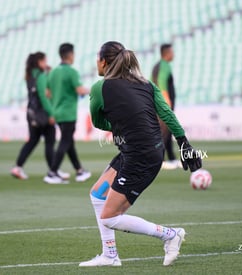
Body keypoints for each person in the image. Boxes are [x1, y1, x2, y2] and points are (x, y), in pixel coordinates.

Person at [79, 41, 201, 267]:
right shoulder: (146, 84)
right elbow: (166, 113)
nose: (96, 62)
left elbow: (98, 122)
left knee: (110, 217)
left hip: (140, 157)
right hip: (141, 150)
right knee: (97, 194)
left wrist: (119, 125)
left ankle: (170, 235)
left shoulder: (100, 88)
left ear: (104, 62)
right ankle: (110, 255)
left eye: (98, 58)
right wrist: (184, 143)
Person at [44, 43, 91, 184]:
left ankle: (79, 170)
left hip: (57, 112)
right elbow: (80, 90)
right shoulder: (71, 72)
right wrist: (93, 90)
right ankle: (52, 172)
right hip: (68, 112)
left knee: (68, 142)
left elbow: (47, 93)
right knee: (65, 142)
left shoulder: (52, 72)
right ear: (70, 55)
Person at [11, 52, 56, 180]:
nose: (46, 63)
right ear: (40, 62)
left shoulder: (30, 75)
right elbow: (43, 96)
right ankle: (53, 171)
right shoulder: (41, 76)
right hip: (43, 114)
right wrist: (51, 113)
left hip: (32, 114)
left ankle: (18, 167)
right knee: (49, 141)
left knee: (32, 141)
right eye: (45, 61)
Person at [152, 44, 178, 170]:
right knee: (163, 132)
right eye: (172, 51)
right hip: (162, 104)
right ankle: (160, 160)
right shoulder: (164, 66)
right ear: (167, 53)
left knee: (168, 131)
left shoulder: (158, 66)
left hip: (158, 103)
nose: (174, 53)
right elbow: (162, 83)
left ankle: (172, 158)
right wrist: (166, 101)